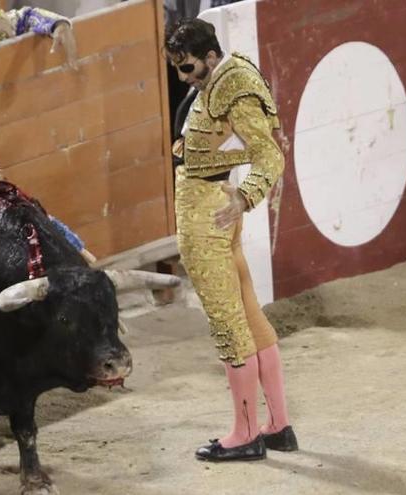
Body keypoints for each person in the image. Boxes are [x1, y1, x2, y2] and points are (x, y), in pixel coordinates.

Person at [164, 18, 297, 462]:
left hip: (209, 218)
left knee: (228, 325)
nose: (183, 78)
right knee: (249, 314)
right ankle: (277, 425)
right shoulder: (220, 80)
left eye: (188, 69)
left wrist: (244, 196)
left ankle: (245, 433)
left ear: (210, 57)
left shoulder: (230, 83)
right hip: (216, 214)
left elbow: (270, 156)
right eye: (178, 70)